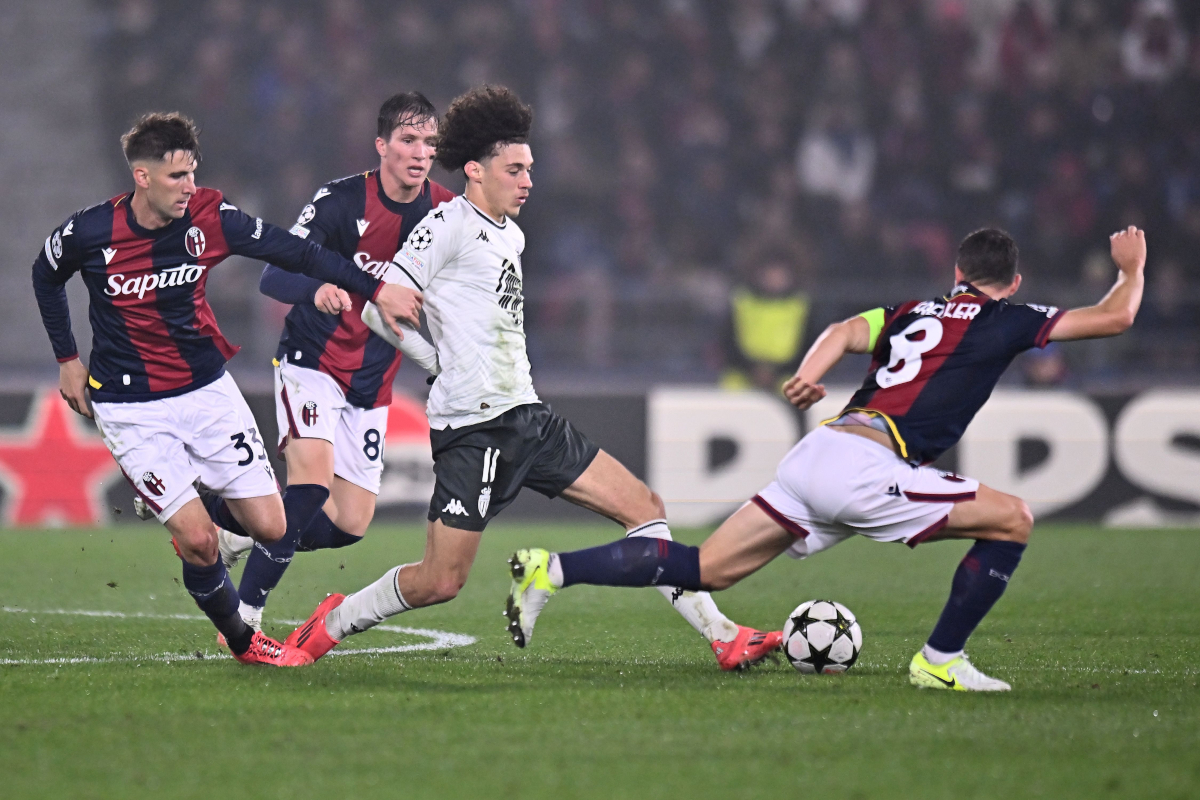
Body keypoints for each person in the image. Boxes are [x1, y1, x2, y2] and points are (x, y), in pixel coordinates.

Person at [507, 226, 1147, 691]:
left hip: (821, 450)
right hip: (868, 468)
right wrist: (1131, 269)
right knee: (1015, 519)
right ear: (1012, 283)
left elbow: (841, 332)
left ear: (955, 274)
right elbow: (1115, 318)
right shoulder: (1006, 317)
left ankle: (551, 571)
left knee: (707, 567)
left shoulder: (909, 311)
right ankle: (941, 659)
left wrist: (810, 375)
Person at [285, 86, 781, 671]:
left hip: (527, 417)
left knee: (644, 506)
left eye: (530, 169)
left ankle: (724, 637)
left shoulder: (510, 234)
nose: (527, 180)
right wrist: (436, 362)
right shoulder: (444, 225)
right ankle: (334, 620)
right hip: (474, 430)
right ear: (475, 170)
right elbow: (377, 308)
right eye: (514, 169)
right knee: (440, 582)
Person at [31, 112, 423, 667]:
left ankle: (184, 501)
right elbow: (44, 275)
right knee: (199, 543)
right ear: (141, 177)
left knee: (274, 525)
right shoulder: (91, 231)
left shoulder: (212, 218)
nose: (189, 186)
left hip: (206, 392)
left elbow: (300, 253)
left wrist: (374, 287)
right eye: (176, 177)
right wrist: (68, 361)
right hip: (127, 404)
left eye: (193, 173)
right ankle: (244, 638)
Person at [199, 92, 455, 631]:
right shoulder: (340, 202)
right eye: (409, 140)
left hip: (372, 381)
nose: (420, 152)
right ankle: (243, 617)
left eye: (430, 142)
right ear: (381, 145)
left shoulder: (444, 212)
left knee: (349, 524)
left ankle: (233, 530)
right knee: (310, 488)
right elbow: (274, 275)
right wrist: (317, 290)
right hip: (312, 360)